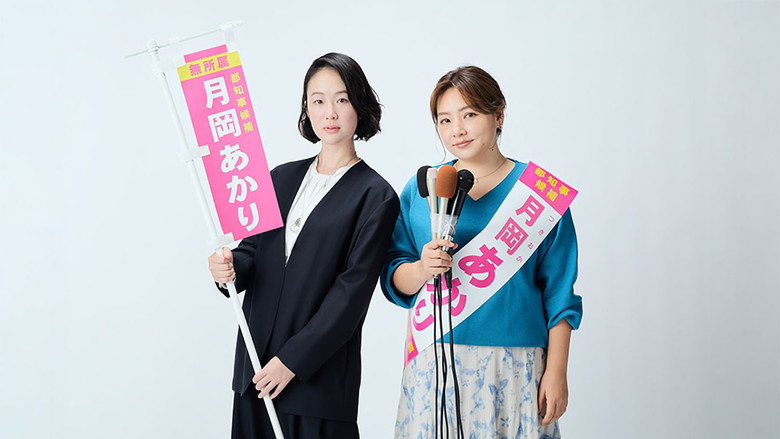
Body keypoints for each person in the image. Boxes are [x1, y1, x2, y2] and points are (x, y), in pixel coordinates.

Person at [380, 66, 582, 438]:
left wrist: (557, 373)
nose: (457, 129)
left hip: (517, 365)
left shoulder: (540, 194)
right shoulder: (424, 188)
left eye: (469, 114)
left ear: (498, 115)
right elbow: (394, 276)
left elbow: (560, 295)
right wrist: (422, 268)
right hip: (434, 363)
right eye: (445, 120)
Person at [208, 52, 399, 439]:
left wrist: (291, 362)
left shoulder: (376, 196)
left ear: (359, 105)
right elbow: (252, 254)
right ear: (306, 109)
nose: (330, 112)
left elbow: (351, 295)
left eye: (342, 99)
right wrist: (228, 266)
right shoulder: (279, 178)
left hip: (317, 385)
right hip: (255, 371)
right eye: (318, 100)